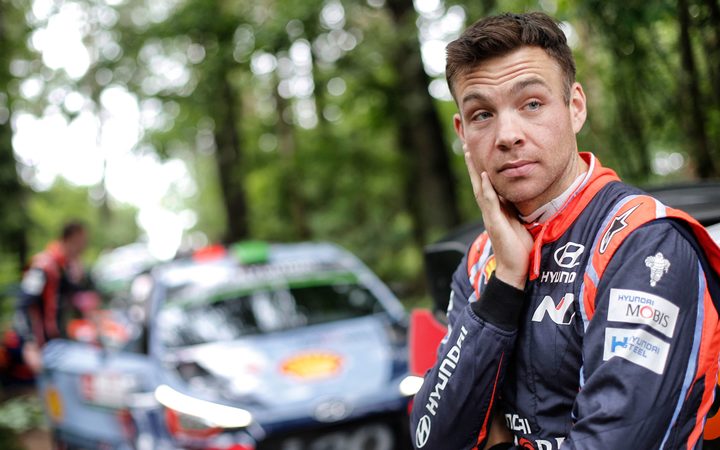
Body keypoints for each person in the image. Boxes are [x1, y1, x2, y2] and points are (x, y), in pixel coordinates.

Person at [409, 12, 720, 450]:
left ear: (575, 107)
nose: (507, 135)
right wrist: (505, 284)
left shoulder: (644, 242)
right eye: (482, 114)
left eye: (532, 104)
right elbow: (432, 437)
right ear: (463, 132)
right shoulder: (481, 258)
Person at [13, 221, 89, 374]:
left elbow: (77, 295)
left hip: (58, 343)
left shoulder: (63, 267)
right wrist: (29, 344)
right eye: (81, 242)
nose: (84, 247)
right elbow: (22, 305)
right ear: (70, 239)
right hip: (42, 347)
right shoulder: (42, 266)